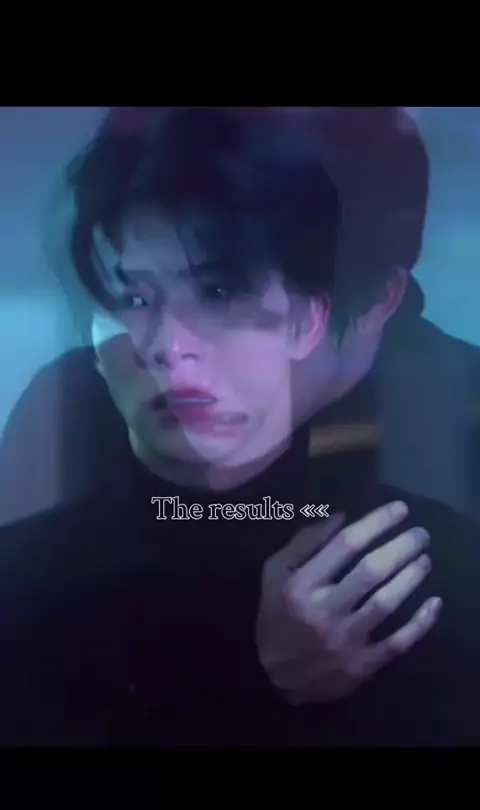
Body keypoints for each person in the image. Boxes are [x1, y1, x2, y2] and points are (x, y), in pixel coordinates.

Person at [0, 106, 479, 747]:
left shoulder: (447, 461)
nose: (169, 348)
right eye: (132, 296)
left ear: (373, 302)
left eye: (222, 290)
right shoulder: (77, 405)